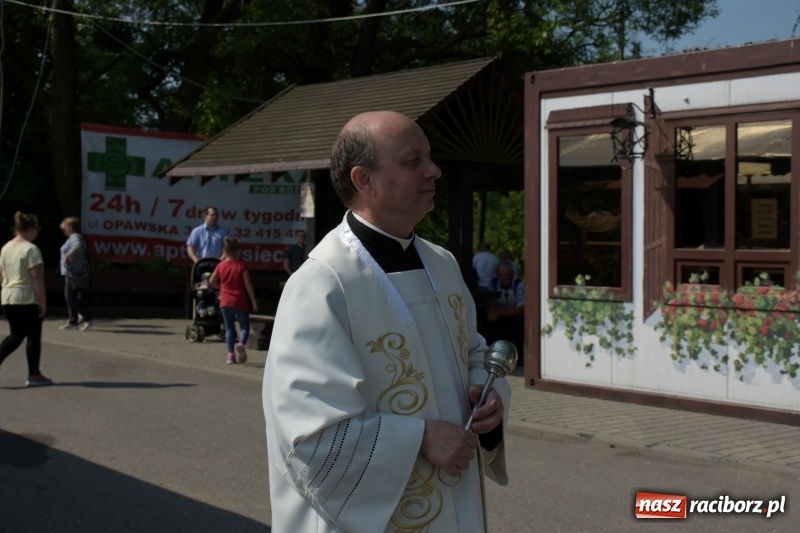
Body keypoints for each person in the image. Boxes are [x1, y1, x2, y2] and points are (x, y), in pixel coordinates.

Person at [262, 110, 510, 532]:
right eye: (414, 162)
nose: (434, 171)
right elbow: (306, 433)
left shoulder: (443, 264)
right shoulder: (322, 284)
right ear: (364, 181)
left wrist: (491, 397)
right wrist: (420, 438)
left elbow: (475, 352)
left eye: (429, 157)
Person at [0, 212, 52, 386]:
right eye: (37, 228)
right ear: (30, 229)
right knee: (33, 336)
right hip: (27, 296)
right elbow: (36, 277)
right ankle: (34, 374)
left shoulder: (6, 247)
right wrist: (43, 301)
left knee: (15, 334)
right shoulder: (31, 249)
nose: (38, 232)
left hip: (8, 295)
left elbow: (2, 275)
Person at [209, 237, 258, 365]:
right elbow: (248, 284)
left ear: (224, 251)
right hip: (239, 300)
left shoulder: (220, 265)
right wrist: (253, 301)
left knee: (229, 328)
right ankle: (241, 343)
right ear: (238, 251)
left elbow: (211, 281)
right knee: (244, 326)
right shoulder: (241, 265)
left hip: (225, 300)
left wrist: (221, 288)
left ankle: (230, 356)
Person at [59, 217, 97, 331]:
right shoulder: (72, 237)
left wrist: (68, 255)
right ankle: (73, 322)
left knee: (70, 297)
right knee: (71, 297)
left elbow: (77, 246)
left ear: (70, 227)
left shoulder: (76, 237)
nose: (63, 230)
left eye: (65, 227)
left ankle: (89, 318)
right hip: (70, 272)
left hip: (74, 273)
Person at [484, 261, 524, 362]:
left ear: (512, 274)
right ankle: (489, 352)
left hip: (514, 315)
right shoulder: (494, 283)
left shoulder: (518, 284)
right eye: (500, 275)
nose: (503, 278)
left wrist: (498, 313)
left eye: (505, 274)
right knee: (486, 319)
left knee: (519, 320)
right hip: (500, 315)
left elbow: (521, 308)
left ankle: (518, 355)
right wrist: (492, 312)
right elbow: (491, 303)